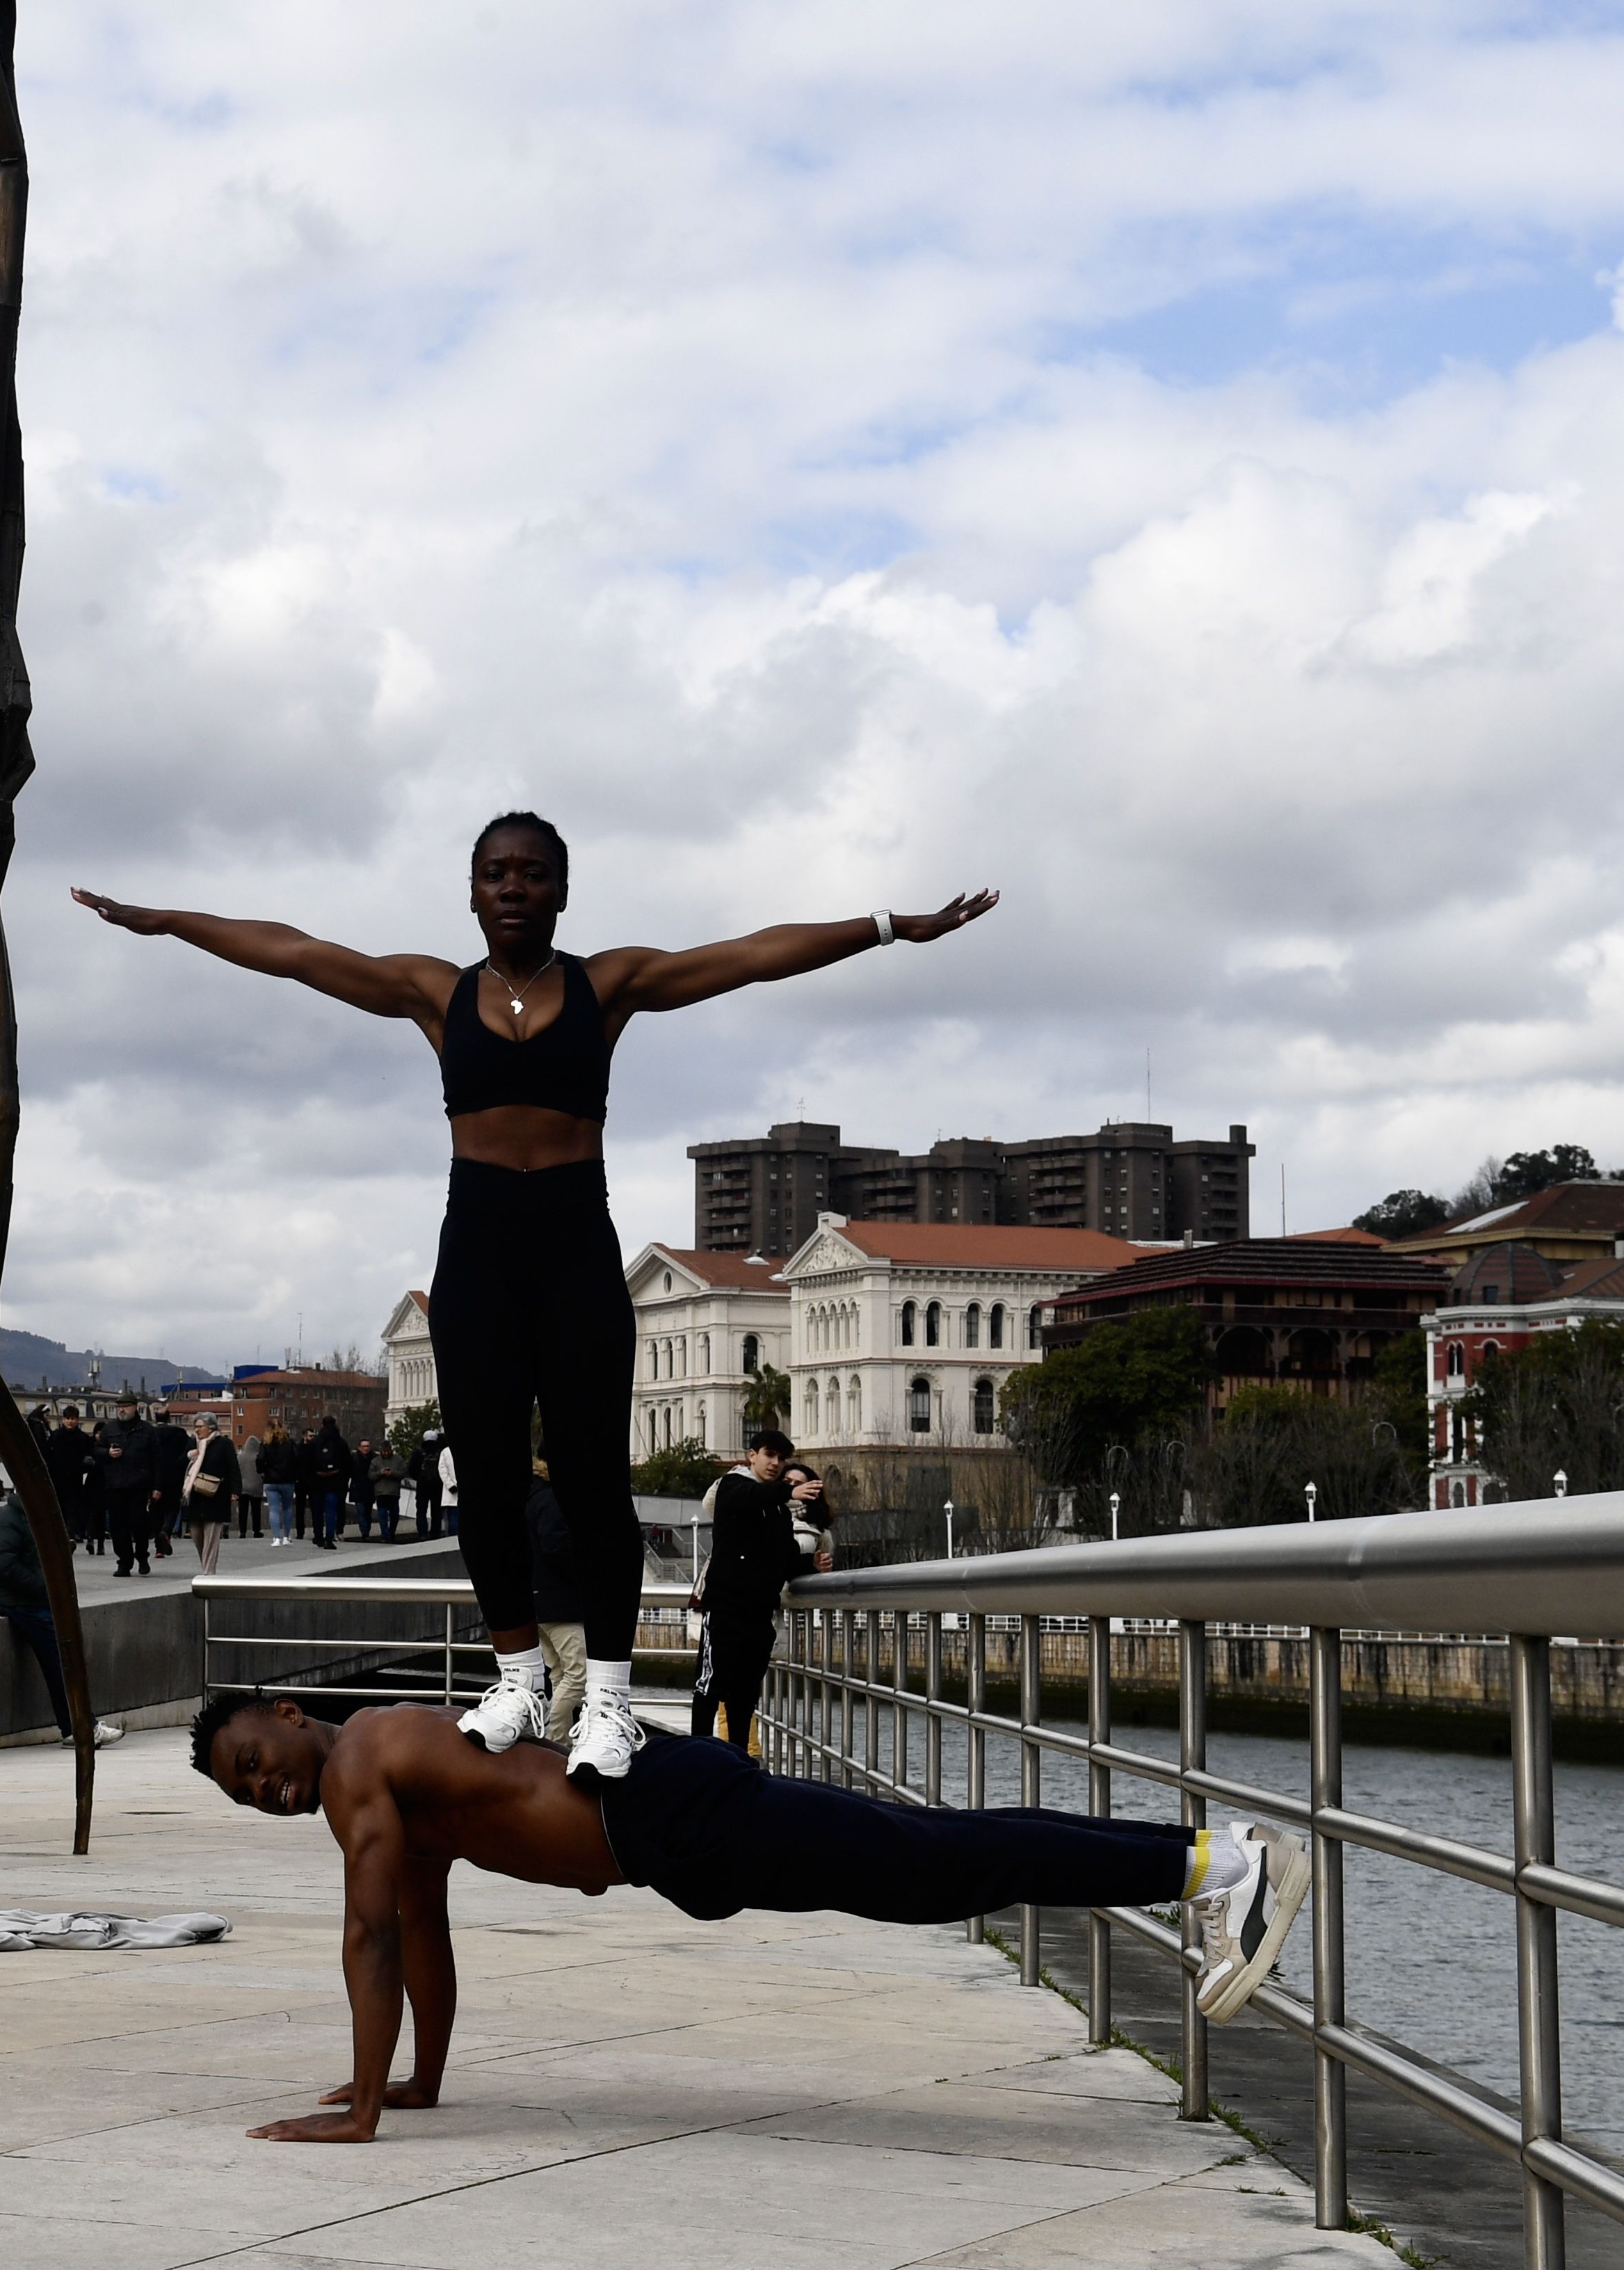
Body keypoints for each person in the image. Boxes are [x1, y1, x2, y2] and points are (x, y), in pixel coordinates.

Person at [77, 822, 997, 1781]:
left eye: (532, 874)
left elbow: (748, 956)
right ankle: (517, 1677)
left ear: (561, 891)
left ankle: (608, 1702)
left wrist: (888, 926)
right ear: (472, 891)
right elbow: (297, 954)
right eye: (495, 873)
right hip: (477, 1248)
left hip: (573, 1245)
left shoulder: (608, 986)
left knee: (594, 1484)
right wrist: (171, 921)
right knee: (485, 1480)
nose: (512, 887)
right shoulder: (435, 992)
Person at [187, 1691, 1311, 2143]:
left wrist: (360, 2116)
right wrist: (413, 2081)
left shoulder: (360, 1766)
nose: (266, 1788)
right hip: (667, 1823)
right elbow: (421, 1935)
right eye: (247, 1793)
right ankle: (1205, 1862)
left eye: (254, 1761)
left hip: (668, 1811)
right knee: (937, 1854)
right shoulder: (391, 1774)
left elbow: (371, 1937)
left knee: (937, 1862)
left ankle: (1221, 1864)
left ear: (287, 1715)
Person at [691, 1432, 817, 1750]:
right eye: (769, 1455)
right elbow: (750, 1497)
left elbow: (785, 1560)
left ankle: (737, 1758)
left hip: (759, 1616)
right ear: (752, 1456)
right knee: (710, 1688)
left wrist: (813, 1564)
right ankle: (697, 1757)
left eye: (781, 1458)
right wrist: (789, 1491)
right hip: (725, 1610)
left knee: (744, 1695)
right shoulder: (733, 1485)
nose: (775, 1463)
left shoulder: (779, 1512)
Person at [0, 1488, 124, 1748]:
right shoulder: (8, 1522)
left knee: (65, 1660)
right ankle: (80, 1727)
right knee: (61, 1662)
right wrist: (45, 1587)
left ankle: (79, 1726)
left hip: (34, 1601)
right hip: (22, 1603)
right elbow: (5, 1566)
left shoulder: (31, 1518)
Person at [520, 1460, 590, 1743]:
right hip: (561, 1604)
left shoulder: (531, 1499)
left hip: (540, 1602)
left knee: (560, 1674)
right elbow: (557, 1547)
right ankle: (555, 1737)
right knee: (579, 1675)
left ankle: (557, 1741)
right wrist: (583, 1573)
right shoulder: (552, 1499)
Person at [96, 1398, 157, 1577]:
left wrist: (157, 1486)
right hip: (115, 1485)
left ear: (135, 1408)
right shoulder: (110, 1429)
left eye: (125, 1407)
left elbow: (157, 1460)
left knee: (139, 1524)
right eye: (119, 1407)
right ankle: (124, 1562)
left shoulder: (147, 1430)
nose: (122, 1410)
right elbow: (96, 1451)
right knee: (118, 1527)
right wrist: (107, 1453)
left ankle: (142, 1555)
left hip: (139, 1485)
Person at [181, 1414, 240, 1575]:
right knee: (197, 1536)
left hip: (216, 1497)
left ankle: (209, 1573)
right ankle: (206, 1567)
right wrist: (191, 1455)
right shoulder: (193, 1444)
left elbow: (233, 1468)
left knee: (211, 1538)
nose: (197, 1430)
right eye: (196, 1427)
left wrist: (235, 1491)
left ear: (211, 1427)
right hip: (194, 1497)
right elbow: (180, 1464)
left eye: (200, 1427)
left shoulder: (224, 1444)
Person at [45, 1408, 102, 1556]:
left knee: (72, 1510)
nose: (70, 1421)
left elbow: (90, 1458)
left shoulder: (82, 1438)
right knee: (60, 1510)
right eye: (68, 1419)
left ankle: (69, 1538)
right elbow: (48, 1456)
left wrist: (84, 1467)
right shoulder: (56, 1436)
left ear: (77, 1420)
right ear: (63, 1419)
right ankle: (63, 1538)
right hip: (58, 1479)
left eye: (73, 1419)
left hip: (74, 1479)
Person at [147, 1407, 193, 1562]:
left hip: (154, 1478)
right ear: (169, 1418)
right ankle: (166, 1531)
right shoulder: (179, 1434)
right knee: (173, 1508)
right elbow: (188, 1453)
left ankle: (159, 1549)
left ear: (155, 1418)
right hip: (175, 1477)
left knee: (156, 1511)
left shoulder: (150, 1434)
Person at [304, 1415, 351, 1549]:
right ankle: (329, 1538)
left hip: (317, 1482)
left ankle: (318, 1536)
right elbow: (348, 1464)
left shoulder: (315, 1442)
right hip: (335, 1482)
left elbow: (306, 1463)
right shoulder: (341, 1442)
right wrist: (344, 1480)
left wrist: (310, 1479)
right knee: (331, 1511)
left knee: (317, 1511)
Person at [262, 1425, 299, 1546]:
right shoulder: (290, 1443)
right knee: (287, 1508)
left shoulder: (265, 1444)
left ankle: (276, 1537)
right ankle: (286, 1537)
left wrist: (263, 1471)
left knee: (274, 1509)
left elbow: (260, 1460)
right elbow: (297, 1458)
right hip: (287, 1480)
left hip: (270, 1480)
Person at [234, 1426, 265, 1543]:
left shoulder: (240, 1457)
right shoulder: (258, 1457)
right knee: (256, 1510)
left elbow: (237, 1472)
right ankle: (256, 1531)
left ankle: (243, 1531)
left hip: (243, 1487)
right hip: (256, 1487)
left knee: (243, 1511)